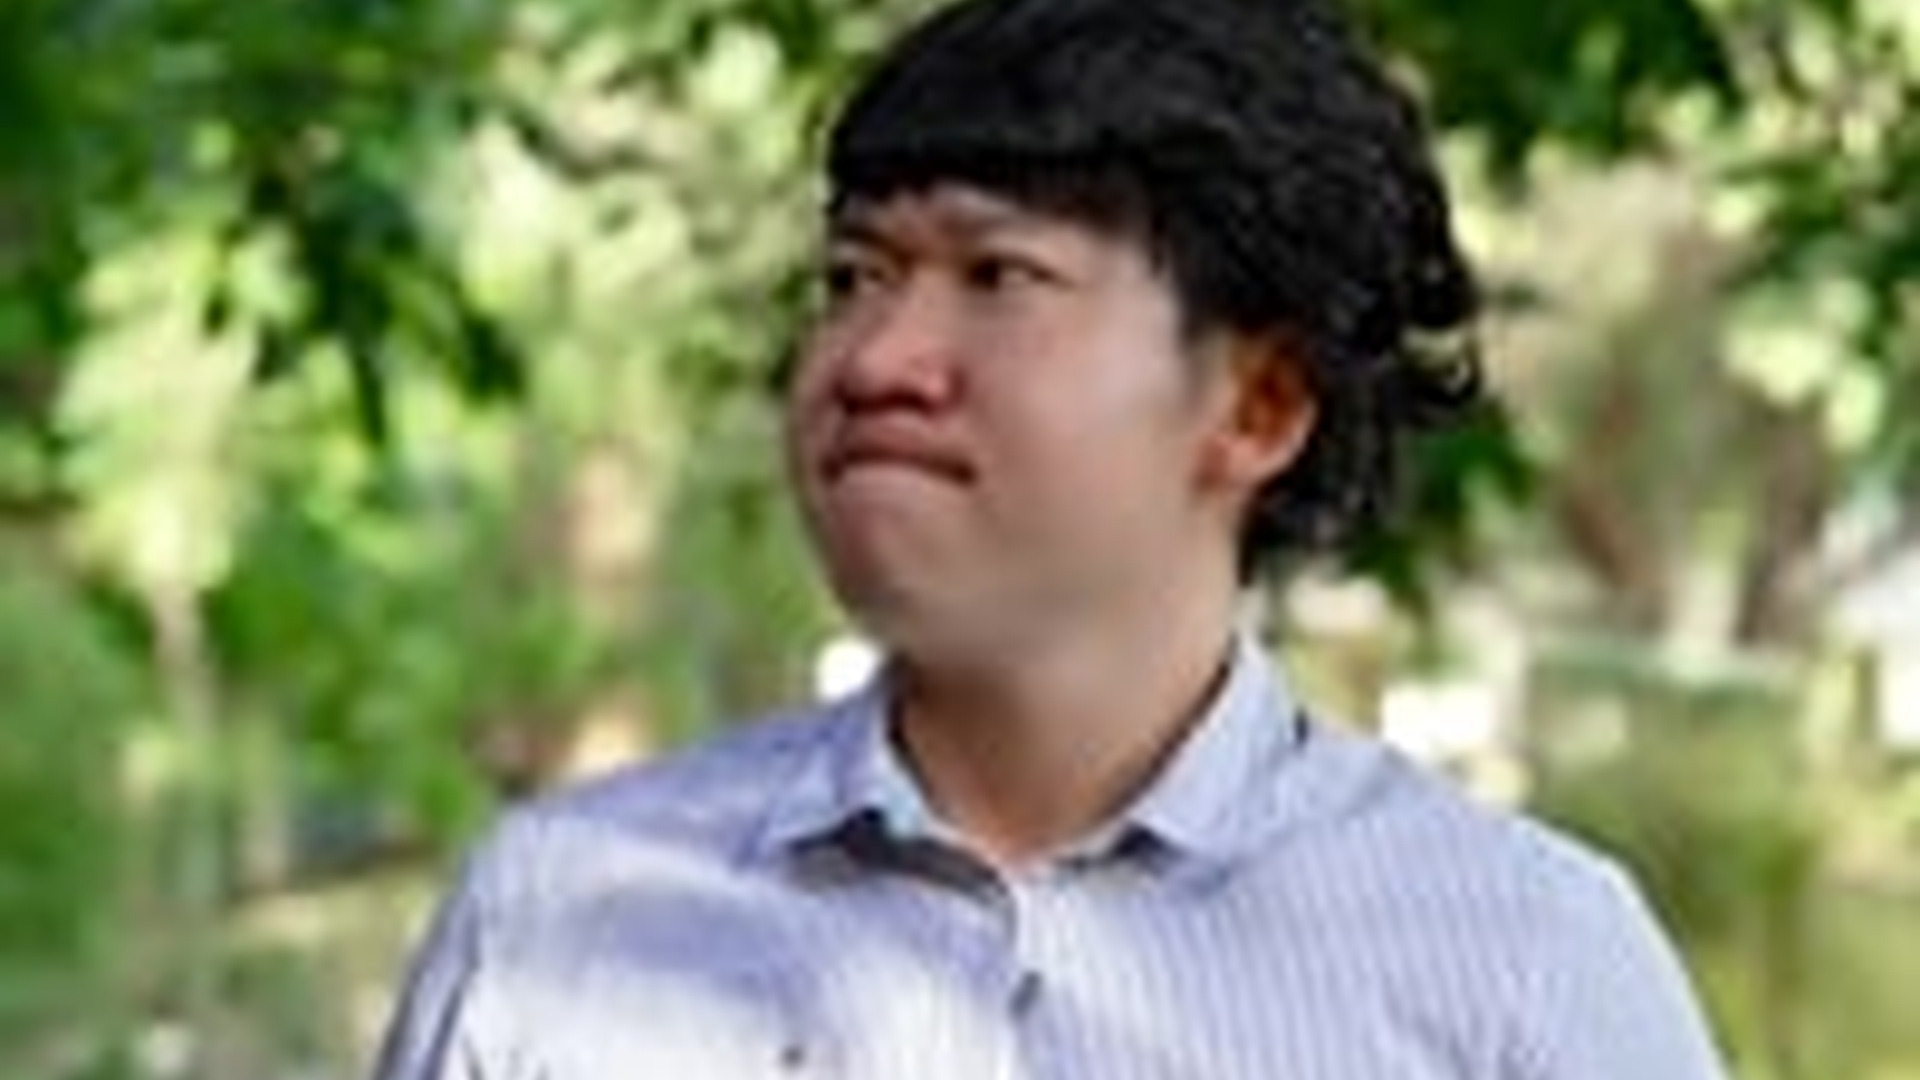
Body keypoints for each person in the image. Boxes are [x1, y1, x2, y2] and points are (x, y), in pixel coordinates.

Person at [372, 0, 1732, 1076]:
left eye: (999, 275)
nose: (876, 359)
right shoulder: (556, 922)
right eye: (854, 277)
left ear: (1257, 405)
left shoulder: (1524, 969)